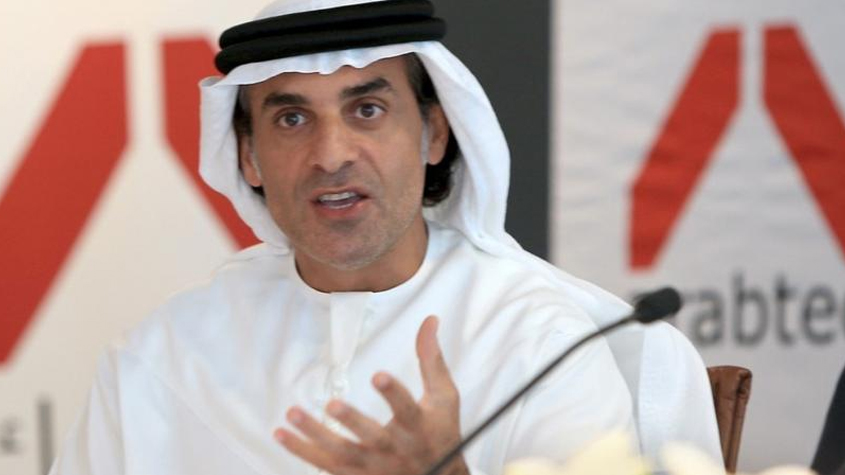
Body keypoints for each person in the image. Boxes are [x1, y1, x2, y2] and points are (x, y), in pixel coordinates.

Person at [49, 1, 722, 474]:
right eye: (291, 120)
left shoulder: (538, 337)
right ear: (248, 157)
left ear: (434, 134)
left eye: (367, 109)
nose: (331, 154)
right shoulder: (162, 356)